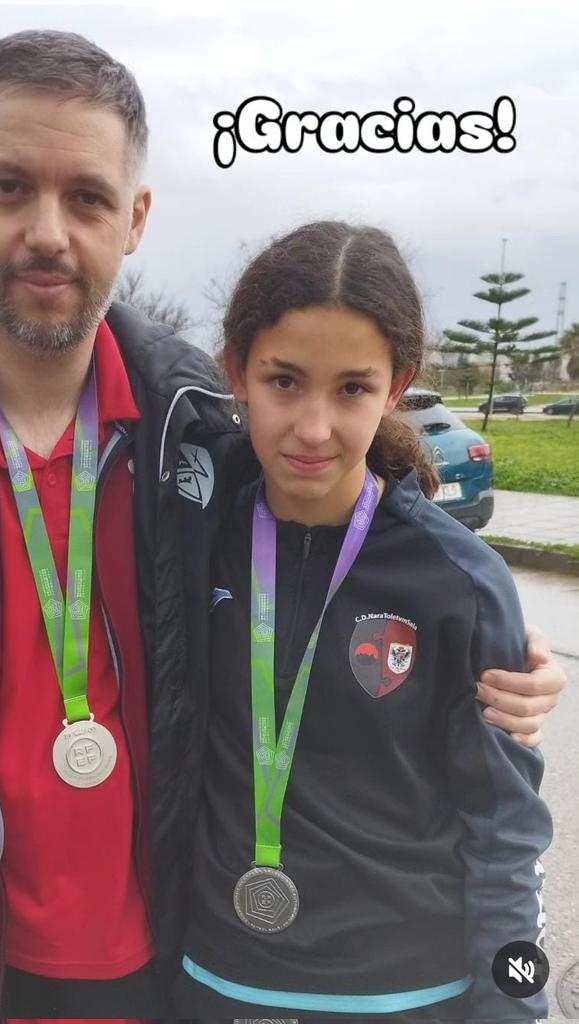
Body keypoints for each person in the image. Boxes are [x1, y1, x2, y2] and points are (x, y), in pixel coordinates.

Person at [0, 33, 565, 1019]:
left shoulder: (207, 436)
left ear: (135, 218)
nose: (49, 232)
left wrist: (502, 664)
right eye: (12, 188)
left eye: (88, 197)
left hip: (180, 970)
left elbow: (336, 560)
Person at [174, 221, 553, 1023]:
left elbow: (503, 827)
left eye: (350, 388)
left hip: (406, 991)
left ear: (397, 383)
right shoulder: (193, 540)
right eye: (283, 382)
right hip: (218, 979)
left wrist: (513, 1005)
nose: (313, 428)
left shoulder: (458, 581)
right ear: (237, 372)